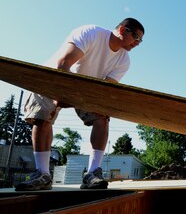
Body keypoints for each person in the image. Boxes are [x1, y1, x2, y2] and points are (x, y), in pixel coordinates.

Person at [15, 18, 145, 191]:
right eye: (135, 37)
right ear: (122, 30)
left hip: (86, 88)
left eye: (140, 40)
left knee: (102, 114)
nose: (137, 43)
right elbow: (64, 63)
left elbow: (104, 90)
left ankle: (93, 173)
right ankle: (43, 174)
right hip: (54, 77)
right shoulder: (91, 33)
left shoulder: (124, 61)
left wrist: (87, 102)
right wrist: (62, 94)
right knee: (42, 116)